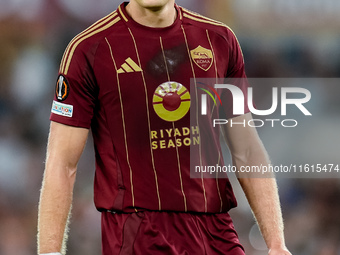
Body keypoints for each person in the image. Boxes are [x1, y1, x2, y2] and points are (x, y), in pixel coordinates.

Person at [38, 1, 292, 254]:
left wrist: (277, 244)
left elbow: (246, 148)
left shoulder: (219, 39)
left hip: (217, 231)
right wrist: (50, 251)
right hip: (137, 233)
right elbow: (62, 162)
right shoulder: (88, 49)